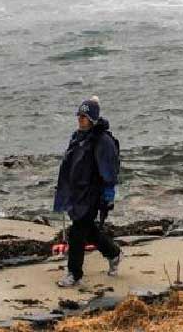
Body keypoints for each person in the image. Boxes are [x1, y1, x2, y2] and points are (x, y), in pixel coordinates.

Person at [54, 96, 121, 288]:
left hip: (93, 194)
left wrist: (108, 195)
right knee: (87, 230)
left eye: (84, 116)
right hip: (77, 193)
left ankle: (74, 274)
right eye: (79, 116)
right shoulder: (77, 137)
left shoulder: (103, 141)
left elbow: (110, 171)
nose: (80, 120)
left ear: (92, 118)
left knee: (76, 232)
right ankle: (113, 253)